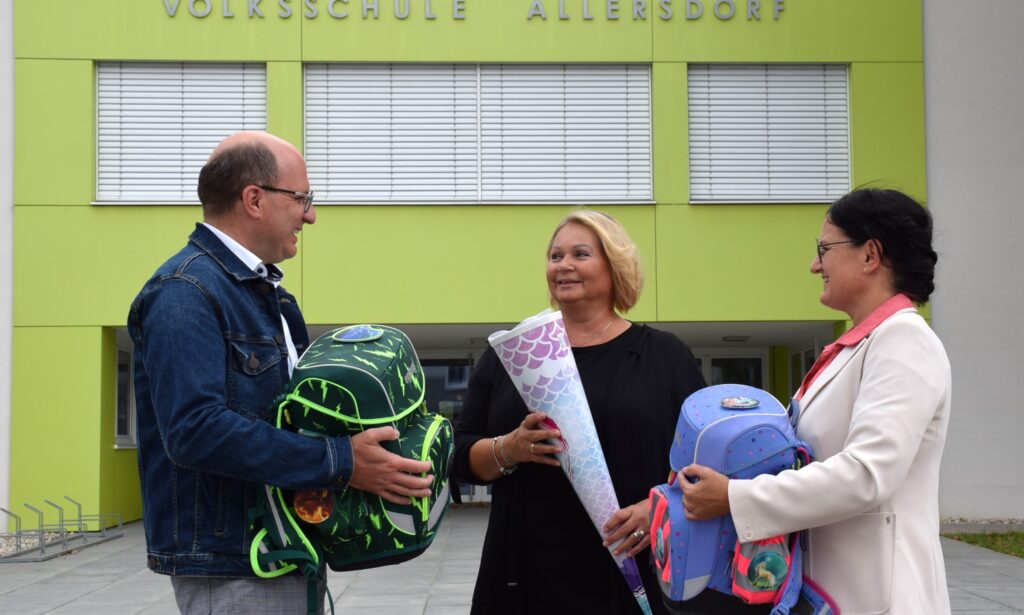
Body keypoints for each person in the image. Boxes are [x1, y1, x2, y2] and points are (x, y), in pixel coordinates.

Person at [127, 131, 434, 614]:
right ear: (254, 199)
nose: (310, 214)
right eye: (302, 198)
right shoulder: (184, 292)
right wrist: (343, 462)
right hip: (234, 565)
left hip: (282, 552)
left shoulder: (269, 297)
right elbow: (194, 431)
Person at [680, 188, 951, 614]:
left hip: (879, 597)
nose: (814, 265)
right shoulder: (858, 346)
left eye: (824, 249)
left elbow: (865, 474)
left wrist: (736, 496)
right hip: (829, 593)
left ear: (870, 254)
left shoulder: (904, 340)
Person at [452, 210, 707, 614]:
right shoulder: (513, 355)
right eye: (555, 257)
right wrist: (510, 448)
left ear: (615, 265)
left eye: (581, 254)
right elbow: (463, 457)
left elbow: (704, 459)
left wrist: (656, 508)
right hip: (521, 576)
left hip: (628, 572)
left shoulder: (664, 356)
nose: (564, 266)